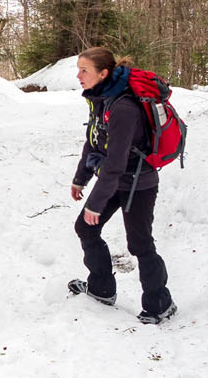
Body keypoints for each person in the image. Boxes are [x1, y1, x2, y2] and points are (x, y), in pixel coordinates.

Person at [68, 46, 176, 323]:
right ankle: (101, 289)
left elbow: (115, 161)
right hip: (115, 179)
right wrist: (81, 178)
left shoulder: (124, 108)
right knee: (85, 229)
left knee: (139, 244)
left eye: (84, 70)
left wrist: (95, 203)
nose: (78, 76)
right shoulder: (101, 99)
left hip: (139, 183)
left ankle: (160, 304)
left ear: (103, 73)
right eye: (78, 69)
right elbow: (94, 141)